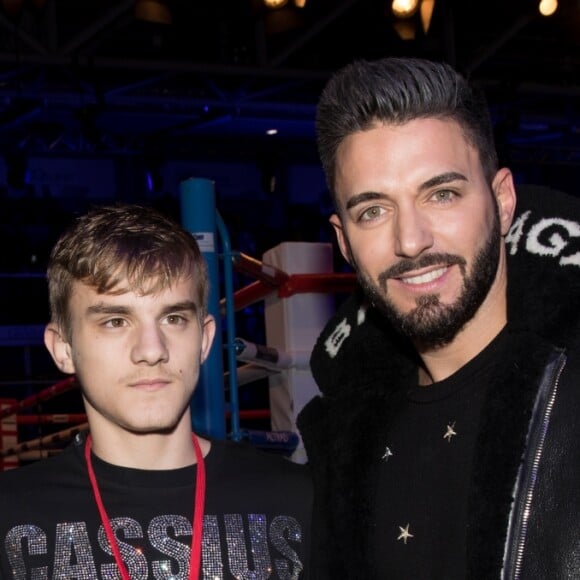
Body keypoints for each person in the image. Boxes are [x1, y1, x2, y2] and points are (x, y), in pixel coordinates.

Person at [296, 56, 580, 579]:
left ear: (502, 199)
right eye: (373, 211)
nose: (410, 240)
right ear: (343, 240)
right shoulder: (338, 447)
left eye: (442, 193)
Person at [0, 203, 312, 579]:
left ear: (204, 339)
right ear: (63, 349)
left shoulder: (298, 498)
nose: (152, 349)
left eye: (174, 318)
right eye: (115, 321)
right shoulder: (11, 512)